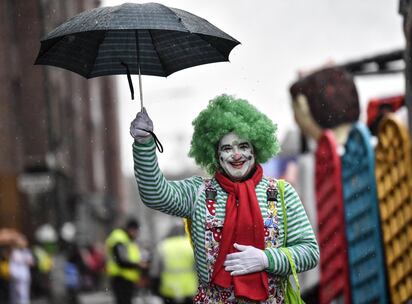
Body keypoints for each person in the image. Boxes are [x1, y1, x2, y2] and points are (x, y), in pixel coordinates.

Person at [130, 94, 319, 303]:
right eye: (227, 148)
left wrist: (266, 259)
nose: (236, 155)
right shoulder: (198, 192)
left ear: (255, 148)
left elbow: (309, 252)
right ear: (215, 155)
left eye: (243, 146)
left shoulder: (282, 193)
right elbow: (155, 193)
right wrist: (144, 144)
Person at [150, 222, 198, 304]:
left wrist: (154, 288)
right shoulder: (191, 244)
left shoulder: (162, 246)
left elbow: (155, 270)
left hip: (169, 289)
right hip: (189, 289)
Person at [105, 218, 145, 304]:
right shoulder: (120, 239)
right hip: (121, 279)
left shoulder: (126, 239)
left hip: (125, 279)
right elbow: (121, 261)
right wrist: (138, 265)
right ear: (131, 229)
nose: (137, 234)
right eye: (136, 231)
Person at [9, 236, 34, 304]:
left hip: (24, 276)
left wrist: (27, 260)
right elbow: (17, 261)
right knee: (16, 294)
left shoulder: (27, 251)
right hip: (16, 276)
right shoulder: (15, 252)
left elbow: (31, 262)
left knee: (24, 294)